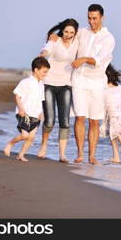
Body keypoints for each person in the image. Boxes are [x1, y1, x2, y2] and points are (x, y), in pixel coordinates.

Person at [50, 4, 115, 164]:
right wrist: (56, 37)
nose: (91, 21)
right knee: (80, 118)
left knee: (94, 121)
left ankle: (92, 156)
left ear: (102, 18)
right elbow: (68, 37)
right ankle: (80, 154)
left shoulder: (108, 38)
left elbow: (99, 61)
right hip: (79, 80)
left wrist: (84, 59)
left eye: (95, 18)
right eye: (89, 18)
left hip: (97, 83)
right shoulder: (82, 33)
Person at [37, 18, 79, 163]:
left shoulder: (77, 42)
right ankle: (44, 145)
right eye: (66, 31)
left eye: (71, 32)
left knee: (65, 121)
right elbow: (47, 49)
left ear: (75, 33)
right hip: (49, 83)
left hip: (66, 85)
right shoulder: (55, 40)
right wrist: (43, 54)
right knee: (49, 120)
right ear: (62, 30)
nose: (68, 34)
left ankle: (62, 154)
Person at [3, 57, 50, 162]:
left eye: (46, 72)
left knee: (31, 137)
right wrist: (20, 109)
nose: (45, 74)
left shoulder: (42, 84)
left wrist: (41, 112)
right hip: (24, 113)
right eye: (44, 72)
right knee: (24, 135)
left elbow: (40, 100)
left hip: (35, 114)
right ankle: (10, 143)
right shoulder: (26, 82)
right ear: (36, 70)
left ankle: (21, 154)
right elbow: (17, 95)